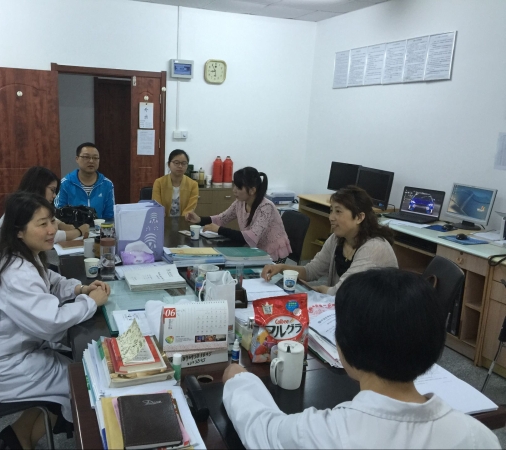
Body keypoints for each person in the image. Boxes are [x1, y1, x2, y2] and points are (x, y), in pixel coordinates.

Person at [222, 269, 501, 449]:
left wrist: (239, 381)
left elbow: (263, 429)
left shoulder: (328, 434)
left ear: (343, 345)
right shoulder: (478, 437)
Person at [0, 192, 110, 449]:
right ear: (19, 231)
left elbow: (51, 281)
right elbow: (51, 322)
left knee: (73, 368)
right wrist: (90, 303)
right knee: (83, 379)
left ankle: (17, 438)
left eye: (52, 221)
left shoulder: (21, 255)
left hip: (12, 355)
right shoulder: (16, 273)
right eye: (42, 224)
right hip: (1, 369)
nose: (52, 229)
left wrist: (79, 289)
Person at [261, 185, 397, 294]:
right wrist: (282, 268)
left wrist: (318, 290)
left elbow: (343, 291)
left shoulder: (374, 248)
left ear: (359, 217)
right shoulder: (336, 239)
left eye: (338, 211)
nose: (331, 217)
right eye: (331, 210)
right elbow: (311, 271)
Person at [185, 167, 291, 263]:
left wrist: (219, 230)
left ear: (252, 190)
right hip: (255, 250)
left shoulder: (266, 207)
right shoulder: (240, 202)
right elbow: (222, 218)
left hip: (273, 254)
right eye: (234, 186)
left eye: (239, 187)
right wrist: (199, 220)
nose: (234, 190)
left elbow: (250, 237)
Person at [0, 166, 89, 248]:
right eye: (52, 190)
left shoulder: (27, 206)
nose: (54, 195)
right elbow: (50, 235)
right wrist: (80, 231)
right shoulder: (23, 210)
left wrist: (62, 224)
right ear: (38, 186)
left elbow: (50, 219)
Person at [54, 142, 115, 220]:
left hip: (99, 227)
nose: (91, 161)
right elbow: (58, 214)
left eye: (95, 158)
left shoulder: (107, 184)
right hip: (72, 227)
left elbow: (109, 215)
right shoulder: (65, 183)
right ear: (77, 159)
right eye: (86, 157)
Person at [152, 149, 198, 217]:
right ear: (169, 164)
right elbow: (157, 207)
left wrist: (182, 221)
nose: (180, 166)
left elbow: (190, 209)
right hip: (163, 220)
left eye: (184, 163)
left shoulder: (193, 185)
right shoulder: (159, 183)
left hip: (184, 221)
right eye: (176, 163)